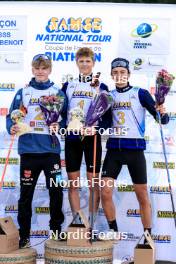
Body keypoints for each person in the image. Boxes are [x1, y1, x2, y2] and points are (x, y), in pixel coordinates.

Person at [101, 57, 169, 238]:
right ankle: (113, 231)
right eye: (115, 73)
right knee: (105, 191)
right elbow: (105, 123)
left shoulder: (140, 93)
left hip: (135, 149)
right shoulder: (109, 96)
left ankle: (147, 235)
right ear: (112, 75)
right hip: (114, 149)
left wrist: (162, 112)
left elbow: (161, 119)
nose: (119, 75)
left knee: (142, 195)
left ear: (128, 74)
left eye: (122, 72)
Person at [6, 54, 67, 248]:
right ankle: (24, 237)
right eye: (37, 68)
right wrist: (12, 127)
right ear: (32, 70)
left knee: (56, 192)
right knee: (26, 195)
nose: (40, 71)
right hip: (29, 152)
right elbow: (11, 116)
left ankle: (56, 232)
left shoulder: (58, 93)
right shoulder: (23, 92)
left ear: (50, 70)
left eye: (44, 68)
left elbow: (67, 118)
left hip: (51, 152)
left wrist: (61, 124)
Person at [62, 47, 109, 225]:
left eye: (87, 61)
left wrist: (96, 130)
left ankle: (91, 223)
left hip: (92, 139)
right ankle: (77, 223)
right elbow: (60, 111)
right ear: (77, 63)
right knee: (73, 183)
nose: (84, 64)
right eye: (81, 61)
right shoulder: (68, 85)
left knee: (93, 183)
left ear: (93, 63)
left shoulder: (101, 86)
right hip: (72, 138)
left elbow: (107, 118)